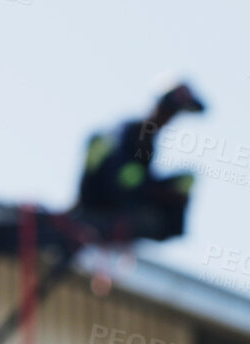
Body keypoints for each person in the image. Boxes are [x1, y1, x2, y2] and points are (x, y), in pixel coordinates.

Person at [75, 80, 206, 241]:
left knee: (185, 181)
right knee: (111, 154)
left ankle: (131, 226)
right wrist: (156, 192)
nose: (168, 117)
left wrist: (169, 195)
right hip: (100, 202)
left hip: (129, 206)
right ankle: (93, 219)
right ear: (158, 104)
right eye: (167, 109)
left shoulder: (149, 144)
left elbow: (139, 182)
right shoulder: (130, 130)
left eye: (173, 113)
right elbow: (122, 180)